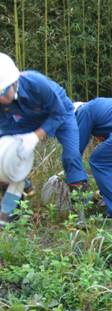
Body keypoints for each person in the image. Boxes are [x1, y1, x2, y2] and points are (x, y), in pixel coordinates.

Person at [0, 52, 87, 226]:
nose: (0, 98)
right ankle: (12, 211)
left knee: (71, 156)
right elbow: (4, 130)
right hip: (30, 118)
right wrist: (7, 157)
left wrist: (35, 136)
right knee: (7, 159)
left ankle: (81, 213)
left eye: (2, 92)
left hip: (62, 113)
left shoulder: (35, 82)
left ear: (13, 82)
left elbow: (59, 113)